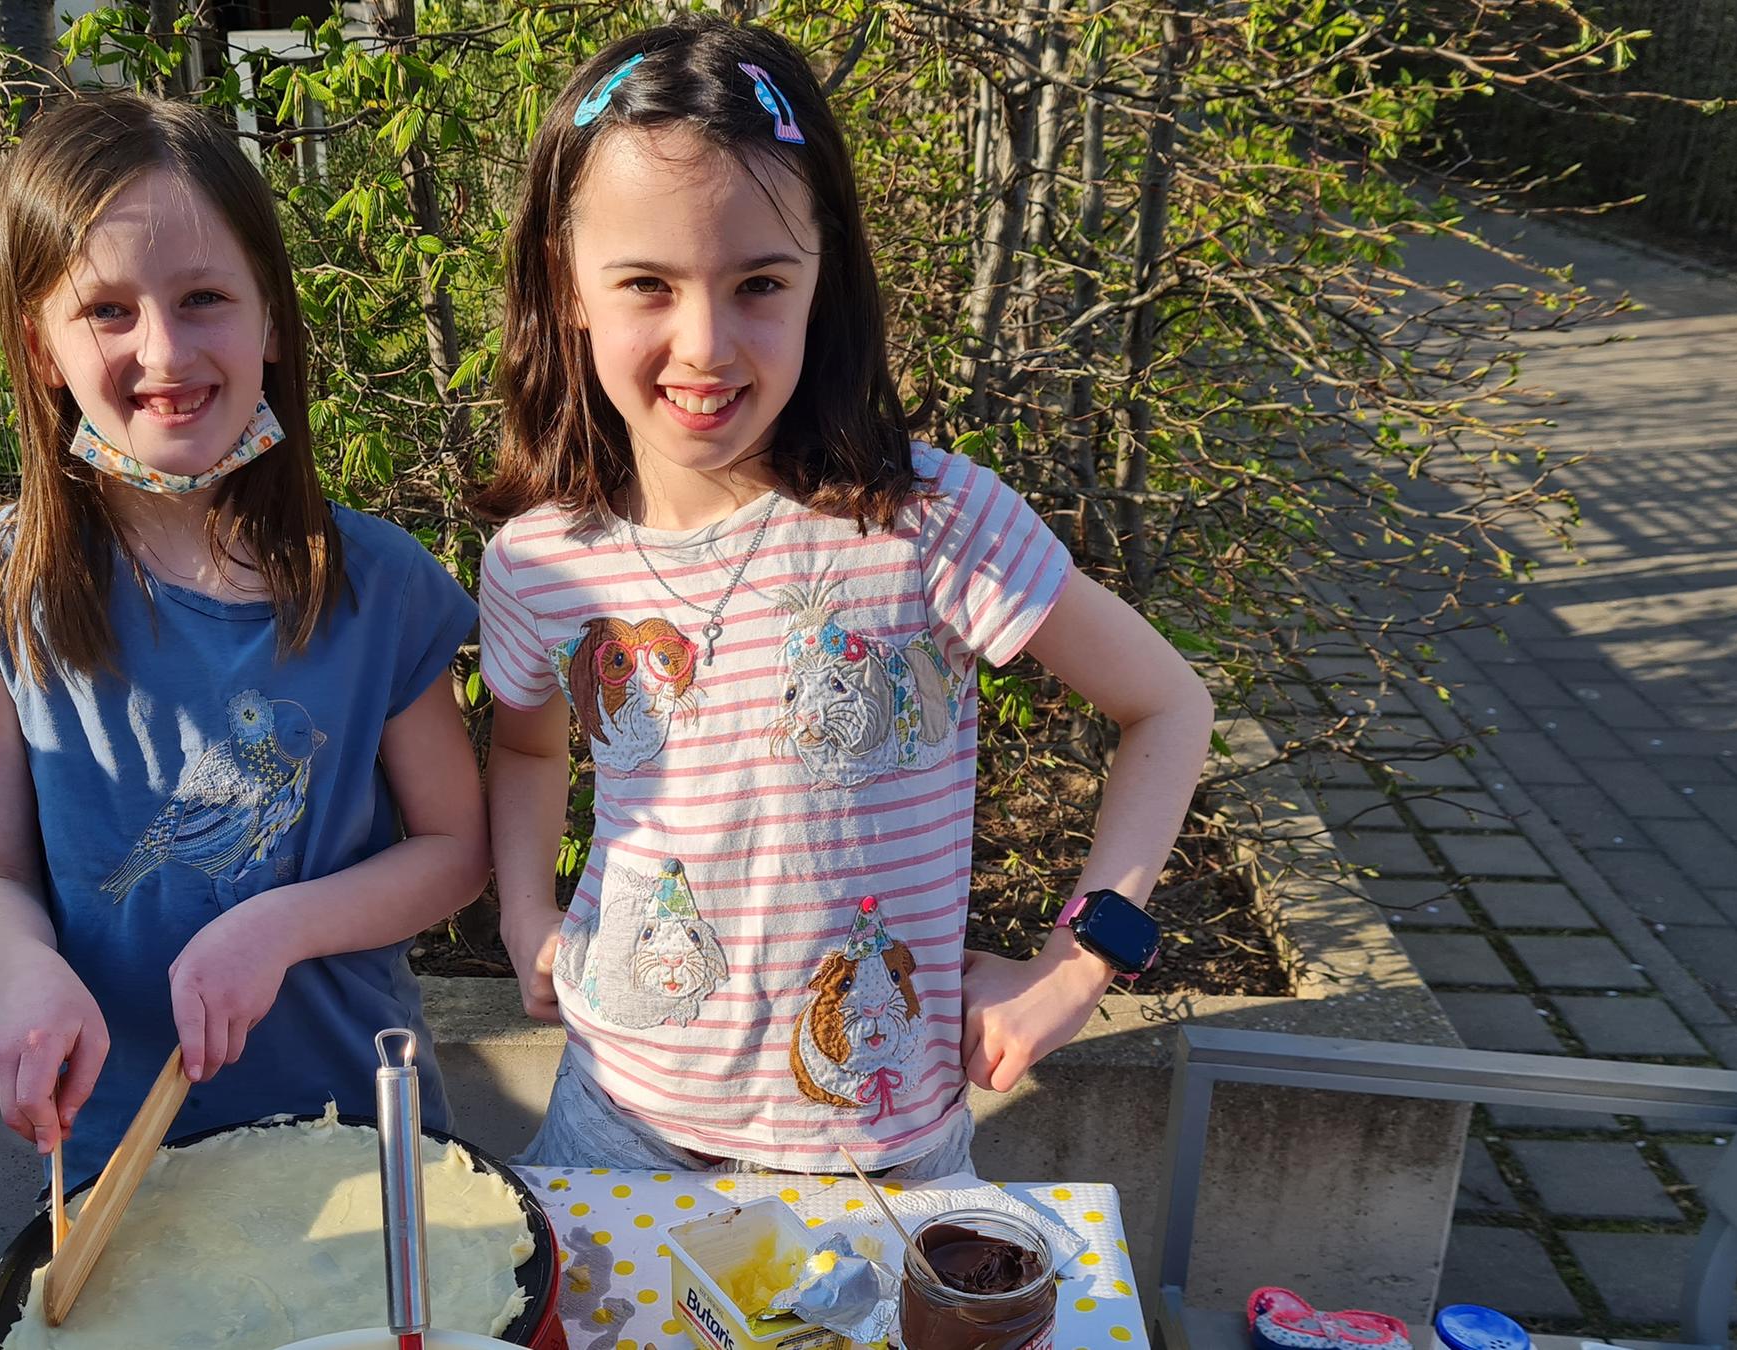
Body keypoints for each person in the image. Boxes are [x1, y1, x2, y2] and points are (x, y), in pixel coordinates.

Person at [475, 19, 1215, 1176]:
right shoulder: (538, 560)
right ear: (566, 287)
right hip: (609, 1124)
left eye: (759, 281)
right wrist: (528, 913)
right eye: (646, 284)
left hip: (880, 1148)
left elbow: (1168, 705)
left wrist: (1080, 965)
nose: (705, 344)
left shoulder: (929, 523)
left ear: (826, 279)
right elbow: (526, 753)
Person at [0, 91, 486, 1185]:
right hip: (121, 1152)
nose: (166, 351)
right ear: (40, 344)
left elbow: (454, 851)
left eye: (205, 298)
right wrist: (24, 973)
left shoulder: (381, 583)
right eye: (109, 312)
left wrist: (276, 926)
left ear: (270, 319)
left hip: (361, 1135)